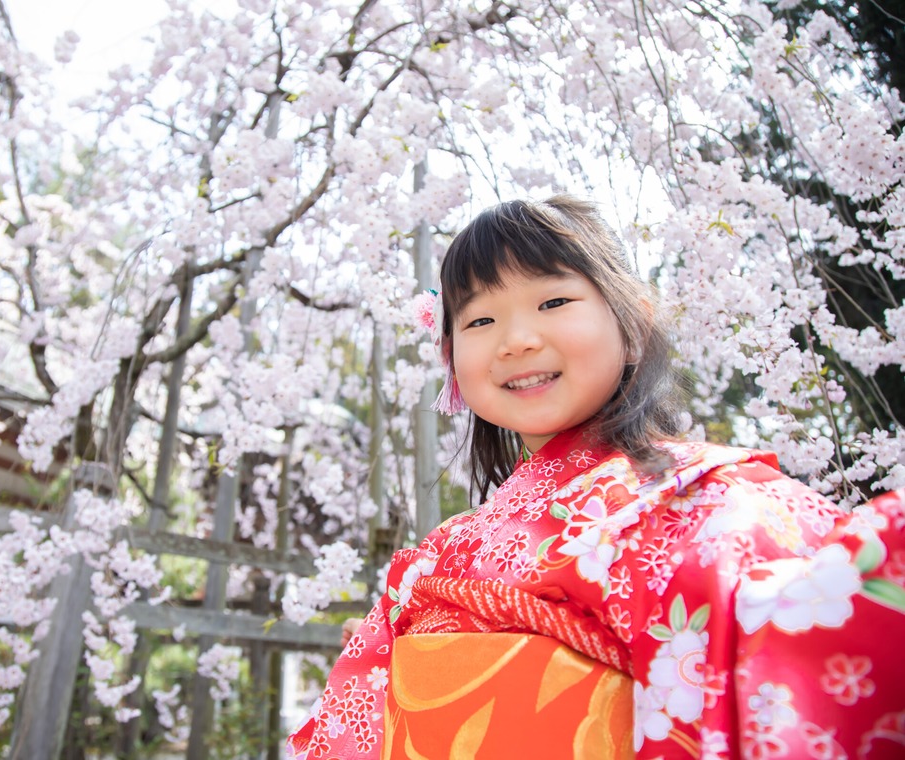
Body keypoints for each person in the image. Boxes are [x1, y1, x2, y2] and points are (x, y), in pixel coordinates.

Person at [287, 196, 905, 759]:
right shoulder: (450, 543)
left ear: (632, 322)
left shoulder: (718, 501)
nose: (517, 340)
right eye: (479, 321)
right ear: (451, 357)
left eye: (553, 301)